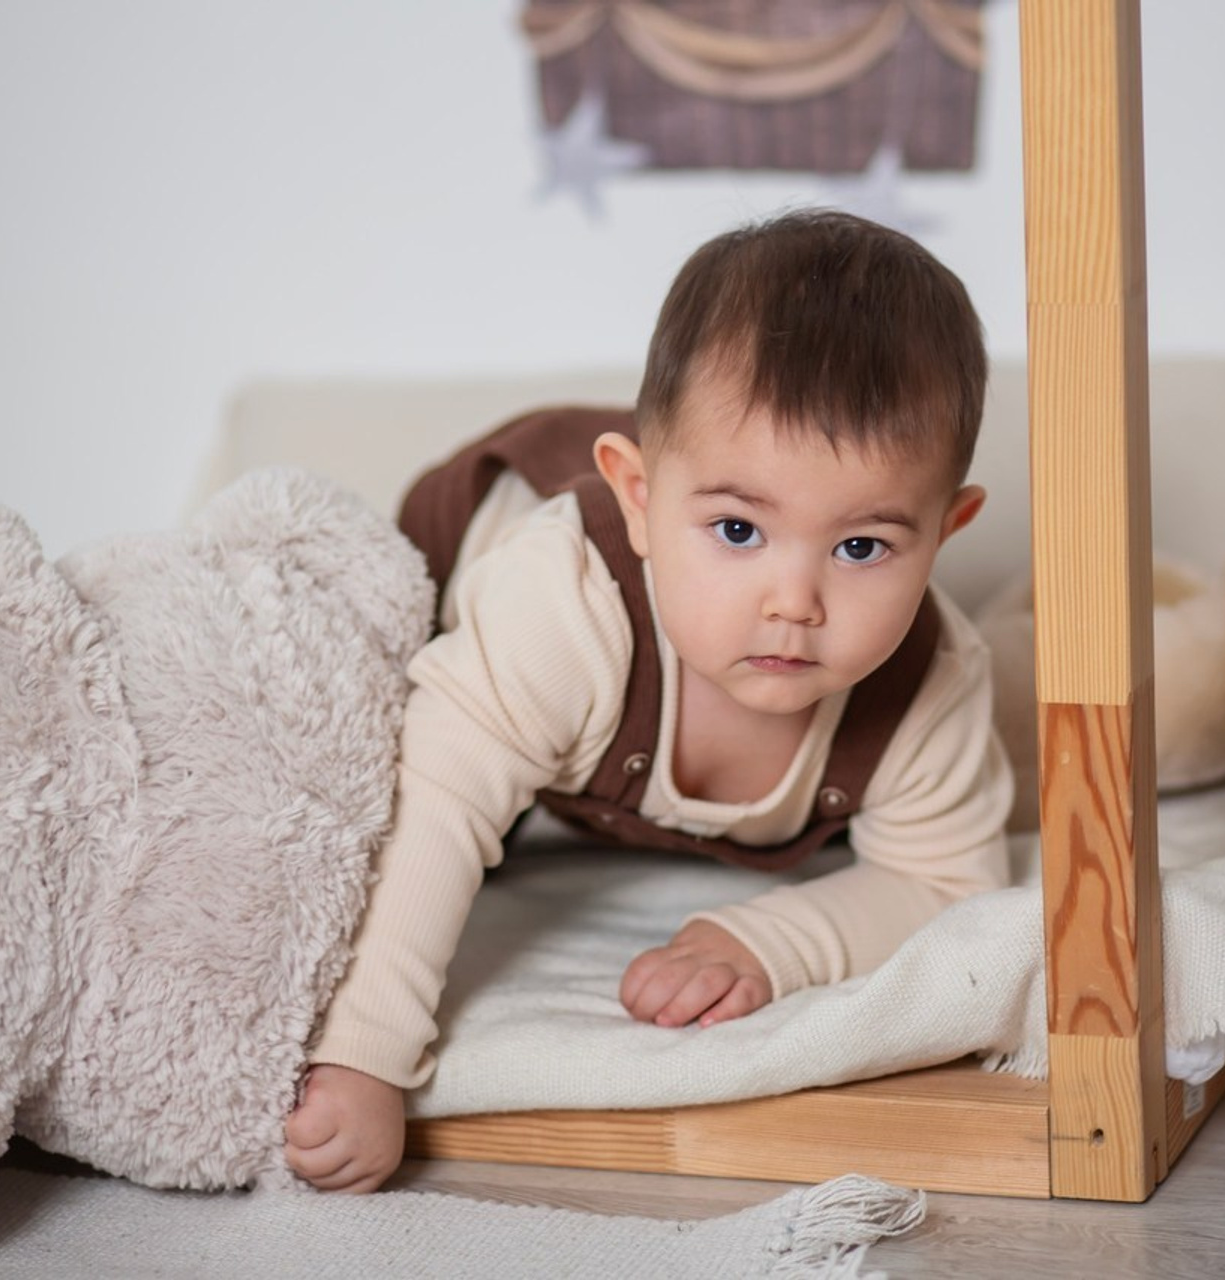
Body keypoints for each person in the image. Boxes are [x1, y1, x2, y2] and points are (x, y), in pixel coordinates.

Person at [283, 209, 1013, 1192]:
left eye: (860, 546)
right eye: (738, 531)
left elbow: (948, 884)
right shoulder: (565, 606)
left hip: (663, 520)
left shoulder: (931, 679)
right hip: (472, 545)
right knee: (337, 713)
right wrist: (364, 1054)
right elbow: (440, 796)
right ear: (636, 498)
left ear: (944, 531)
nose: (793, 602)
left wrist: (769, 940)